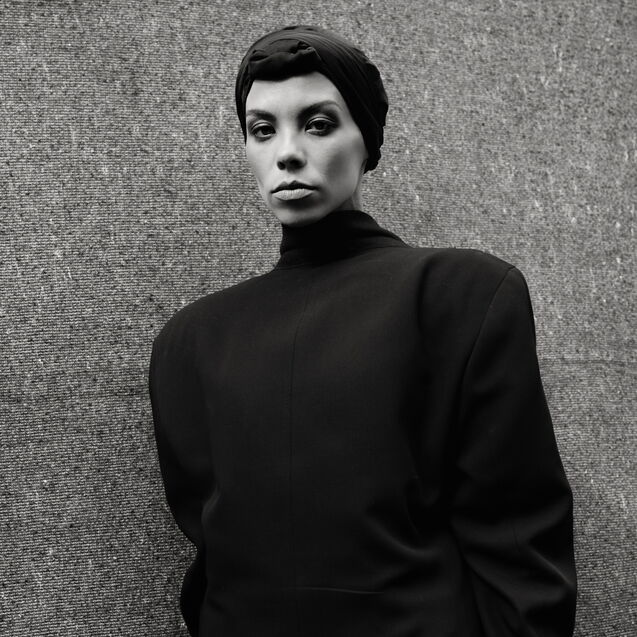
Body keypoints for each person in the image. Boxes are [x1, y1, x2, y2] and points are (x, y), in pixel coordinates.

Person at [148, 24, 577, 637]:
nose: (286, 152)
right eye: (262, 129)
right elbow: (214, 553)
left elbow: (520, 548)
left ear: (366, 140)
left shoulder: (461, 295)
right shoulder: (188, 343)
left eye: (318, 124)